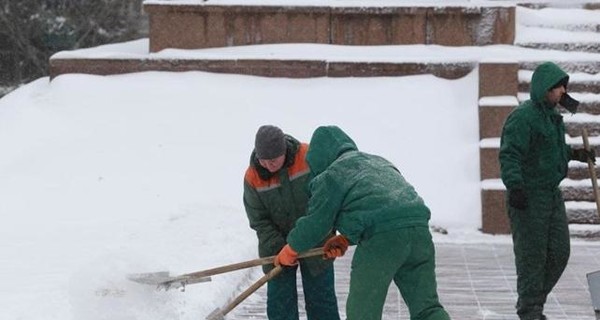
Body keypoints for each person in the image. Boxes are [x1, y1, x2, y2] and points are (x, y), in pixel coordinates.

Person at [274, 125, 451, 320]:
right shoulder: (379, 162)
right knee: (427, 308)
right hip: (419, 231)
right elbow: (378, 204)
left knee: (363, 314)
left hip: (383, 241)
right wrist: (346, 238)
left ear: (318, 159)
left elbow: (316, 223)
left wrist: (291, 250)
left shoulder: (333, 174)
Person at [499, 61, 595, 320]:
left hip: (551, 195)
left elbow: (550, 151)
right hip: (528, 197)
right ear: (545, 89)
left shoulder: (553, 118)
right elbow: (510, 154)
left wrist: (575, 154)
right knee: (532, 258)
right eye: (559, 87)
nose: (564, 92)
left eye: (565, 87)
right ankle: (531, 311)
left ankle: (531, 303)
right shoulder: (523, 117)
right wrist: (515, 186)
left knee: (560, 252)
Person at [243, 125, 340, 320]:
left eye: (273, 160)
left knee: (321, 299)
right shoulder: (253, 177)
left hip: (316, 239)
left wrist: (323, 232)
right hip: (276, 247)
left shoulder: (309, 156)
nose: (268, 165)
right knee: (280, 303)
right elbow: (259, 220)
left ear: (284, 150)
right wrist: (280, 248)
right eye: (263, 160)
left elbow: (326, 198)